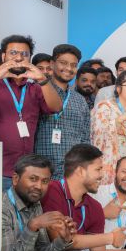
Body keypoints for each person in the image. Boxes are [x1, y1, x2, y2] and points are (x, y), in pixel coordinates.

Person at [0, 34, 63, 189]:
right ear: (3, 56)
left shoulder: (34, 88)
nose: (19, 58)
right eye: (13, 53)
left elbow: (56, 107)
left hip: (26, 172)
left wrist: (43, 80)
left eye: (24, 54)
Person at [35, 44, 91, 180]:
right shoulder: (37, 91)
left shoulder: (80, 100)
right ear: (52, 64)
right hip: (42, 172)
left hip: (72, 174)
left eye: (73, 65)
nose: (69, 69)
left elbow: (85, 139)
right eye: (64, 63)